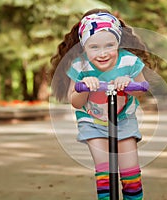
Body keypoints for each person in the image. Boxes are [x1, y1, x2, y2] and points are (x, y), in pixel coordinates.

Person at [50, 8, 153, 200]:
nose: (103, 53)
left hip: (123, 120)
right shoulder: (80, 66)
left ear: (118, 43)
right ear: (83, 47)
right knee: (105, 170)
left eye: (109, 46)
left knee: (131, 174)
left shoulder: (129, 61)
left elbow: (141, 90)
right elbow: (75, 102)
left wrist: (129, 84)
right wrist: (85, 88)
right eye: (94, 47)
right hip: (92, 122)